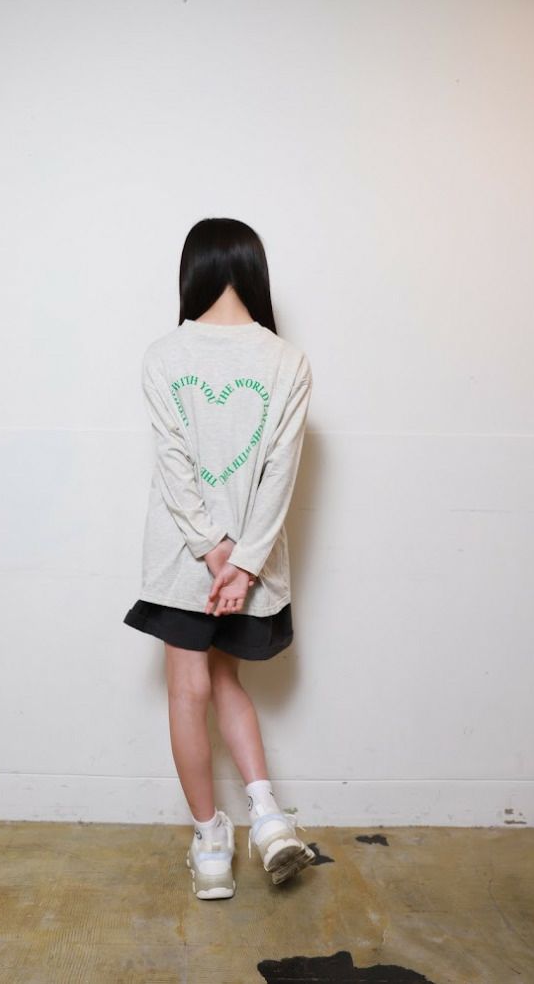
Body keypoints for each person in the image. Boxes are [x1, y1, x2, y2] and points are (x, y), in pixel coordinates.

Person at [122, 218, 316, 900]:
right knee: (227, 682)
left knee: (188, 690)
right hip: (247, 573)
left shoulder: (163, 356)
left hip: (185, 564)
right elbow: (280, 476)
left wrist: (210, 551)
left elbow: (174, 467)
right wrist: (246, 562)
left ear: (193, 272)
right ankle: (267, 815)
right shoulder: (288, 361)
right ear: (254, 271)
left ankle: (210, 843)